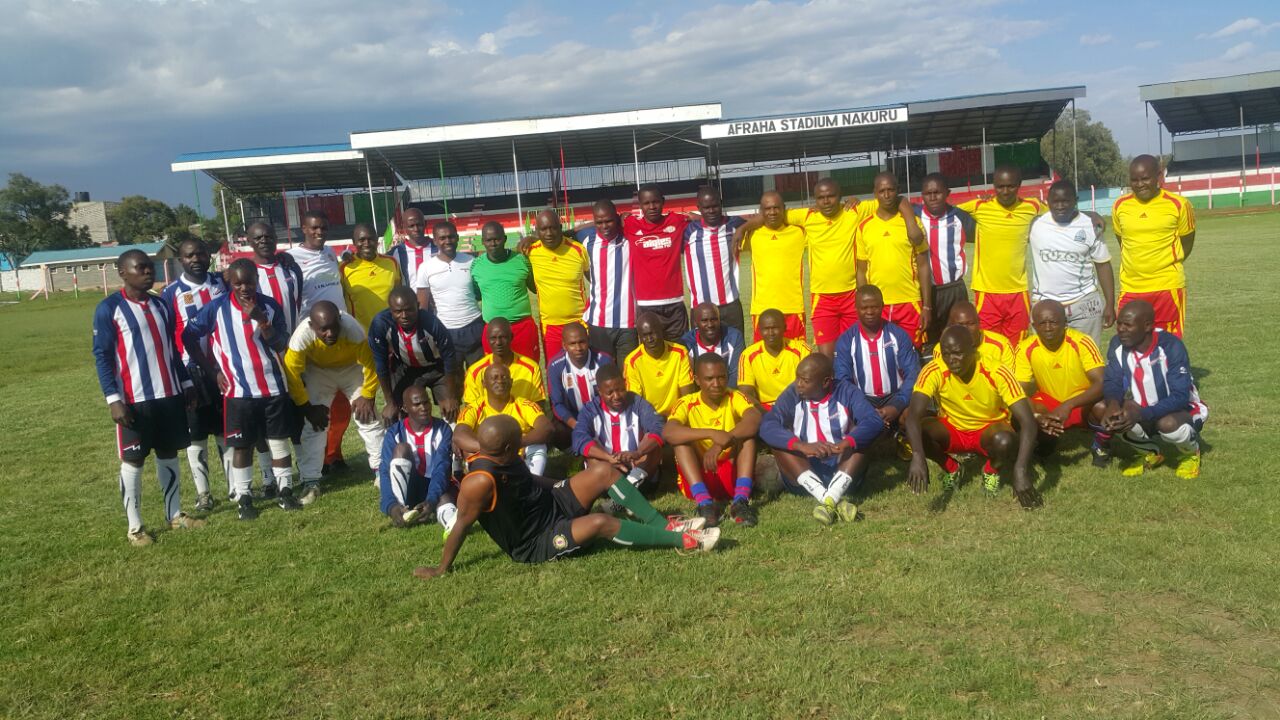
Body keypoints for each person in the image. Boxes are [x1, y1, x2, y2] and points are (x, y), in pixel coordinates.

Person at [412, 416, 718, 579]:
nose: (524, 438)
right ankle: (686, 542)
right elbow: (462, 525)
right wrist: (441, 568)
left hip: (551, 505)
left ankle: (661, 524)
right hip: (536, 540)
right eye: (520, 436)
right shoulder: (479, 481)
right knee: (600, 521)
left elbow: (529, 479)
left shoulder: (505, 454)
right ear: (506, 448)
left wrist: (568, 484)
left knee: (602, 471)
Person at [94, 249, 204, 546]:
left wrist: (185, 383)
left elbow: (171, 348)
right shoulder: (109, 309)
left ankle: (175, 515)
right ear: (122, 272)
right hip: (134, 400)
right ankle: (135, 528)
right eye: (139, 268)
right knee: (134, 461)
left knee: (169, 454)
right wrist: (113, 398)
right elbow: (102, 357)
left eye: (149, 267)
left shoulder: (161, 305)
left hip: (168, 394)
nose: (147, 272)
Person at [182, 259, 292, 521]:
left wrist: (263, 323)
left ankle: (285, 492)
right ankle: (244, 498)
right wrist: (213, 371)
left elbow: (281, 343)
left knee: (278, 441)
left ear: (257, 280)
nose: (244, 287)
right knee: (242, 447)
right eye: (238, 283)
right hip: (238, 391)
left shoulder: (270, 306)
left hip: (273, 386)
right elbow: (188, 337)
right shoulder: (216, 308)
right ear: (230, 282)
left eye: (249, 282)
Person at [904, 326, 1042, 508]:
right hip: (954, 429)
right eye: (946, 354)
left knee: (1005, 441)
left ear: (973, 349)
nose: (951, 360)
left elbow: (1028, 422)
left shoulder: (996, 370)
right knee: (918, 431)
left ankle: (991, 470)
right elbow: (913, 416)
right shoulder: (934, 370)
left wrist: (1020, 470)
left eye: (958, 353)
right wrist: (918, 455)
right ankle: (952, 469)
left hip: (989, 429)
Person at [759, 354, 884, 524]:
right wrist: (802, 446)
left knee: (861, 439)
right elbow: (767, 425)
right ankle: (831, 498)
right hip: (803, 471)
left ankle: (829, 499)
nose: (798, 384)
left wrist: (845, 443)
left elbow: (873, 421)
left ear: (825, 382)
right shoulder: (793, 393)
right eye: (797, 378)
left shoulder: (846, 391)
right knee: (779, 445)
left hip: (842, 468)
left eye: (805, 380)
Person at [283, 301, 385, 504]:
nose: (330, 333)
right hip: (319, 371)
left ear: (340, 320)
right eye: (323, 329)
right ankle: (310, 481)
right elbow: (292, 375)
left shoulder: (353, 329)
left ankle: (381, 471)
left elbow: (370, 364)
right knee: (315, 423)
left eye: (333, 327)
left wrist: (368, 395)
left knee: (368, 417)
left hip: (351, 369)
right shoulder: (301, 336)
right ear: (312, 326)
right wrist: (306, 407)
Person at [1099, 300, 1207, 478]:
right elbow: (1112, 380)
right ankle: (1150, 453)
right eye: (1119, 324)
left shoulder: (1171, 346)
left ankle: (1190, 453)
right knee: (1110, 414)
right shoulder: (1117, 344)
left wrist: (1141, 414)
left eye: (1128, 325)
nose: (1121, 329)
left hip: (1183, 409)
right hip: (1142, 408)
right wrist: (1112, 404)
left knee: (1167, 424)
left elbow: (1180, 396)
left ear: (1147, 326)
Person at [161, 237, 226, 512]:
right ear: (181, 261)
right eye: (189, 256)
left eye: (201, 253)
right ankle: (204, 493)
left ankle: (235, 487)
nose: (196, 259)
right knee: (197, 434)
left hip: (225, 369)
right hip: (192, 372)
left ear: (209, 255)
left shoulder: (224, 282)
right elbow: (166, 336)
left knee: (227, 430)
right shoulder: (170, 293)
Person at [287, 210, 352, 475]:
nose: (319, 232)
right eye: (314, 228)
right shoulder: (291, 258)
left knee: (341, 403)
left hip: (339, 337)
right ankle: (315, 460)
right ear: (304, 227)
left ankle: (333, 455)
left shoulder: (329, 253)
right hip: (313, 339)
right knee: (317, 403)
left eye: (323, 228)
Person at [664, 354, 762, 527]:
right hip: (700, 476)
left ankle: (740, 502)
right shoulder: (686, 403)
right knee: (680, 442)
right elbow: (669, 432)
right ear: (697, 380)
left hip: (731, 473)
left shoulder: (735, 396)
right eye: (709, 379)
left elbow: (754, 419)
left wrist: (723, 441)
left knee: (748, 438)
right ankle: (705, 504)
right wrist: (711, 433)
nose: (716, 384)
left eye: (721, 377)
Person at [957, 165, 1048, 342]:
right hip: (987, 292)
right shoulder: (979, 206)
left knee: (1017, 346)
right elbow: (945, 212)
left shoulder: (1032, 206)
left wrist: (1090, 215)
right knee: (989, 345)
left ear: (1019, 185)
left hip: (1018, 292)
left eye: (1010, 186)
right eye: (1000, 186)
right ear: (993, 186)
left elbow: (1062, 211)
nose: (1005, 191)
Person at [1111, 154, 1196, 337]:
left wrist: (1164, 265)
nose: (1139, 184)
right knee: (1129, 344)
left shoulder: (1179, 205)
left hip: (1167, 287)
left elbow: (1186, 243)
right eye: (1134, 180)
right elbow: (1122, 242)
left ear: (1158, 177)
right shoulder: (1120, 206)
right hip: (1131, 288)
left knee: (1167, 346)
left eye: (1145, 178)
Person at [1015, 300, 1108, 461]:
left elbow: (1101, 383)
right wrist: (1037, 416)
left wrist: (1068, 405)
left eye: (1053, 322)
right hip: (1049, 401)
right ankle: (1046, 442)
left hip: (1080, 402)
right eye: (1042, 323)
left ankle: (1101, 446)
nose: (1048, 328)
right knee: (1026, 410)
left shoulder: (1081, 342)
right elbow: (1019, 391)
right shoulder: (1025, 348)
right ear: (1034, 326)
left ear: (1065, 323)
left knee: (1102, 407)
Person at [1028, 180, 1116, 346]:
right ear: (1047, 201)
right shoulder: (1035, 225)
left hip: (1084, 304)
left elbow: (1103, 265)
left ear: (1075, 200)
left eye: (1065, 201)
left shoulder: (1091, 226)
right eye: (1055, 202)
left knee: (1087, 362)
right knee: (1049, 362)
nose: (1060, 206)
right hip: (1045, 304)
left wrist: (1110, 304)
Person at [856, 172, 932, 346]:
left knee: (912, 355)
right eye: (882, 190)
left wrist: (927, 306)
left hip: (909, 302)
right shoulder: (864, 227)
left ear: (898, 191)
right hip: (878, 306)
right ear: (875, 193)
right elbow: (861, 271)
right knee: (881, 356)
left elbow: (923, 266)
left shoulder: (913, 223)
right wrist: (863, 303)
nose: (887, 195)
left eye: (891, 190)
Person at [368, 287, 460, 425]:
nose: (404, 315)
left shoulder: (431, 323)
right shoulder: (380, 324)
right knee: (399, 415)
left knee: (451, 411)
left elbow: (450, 357)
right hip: (407, 369)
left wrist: (452, 397)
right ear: (391, 310)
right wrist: (390, 402)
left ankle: (450, 442)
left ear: (417, 306)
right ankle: (409, 444)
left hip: (438, 369)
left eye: (409, 309)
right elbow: (381, 365)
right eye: (398, 311)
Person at [833, 285, 920, 430]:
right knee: (844, 422)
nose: (870, 312)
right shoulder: (846, 340)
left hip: (895, 396)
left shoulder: (898, 335)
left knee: (912, 415)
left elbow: (913, 374)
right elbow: (843, 380)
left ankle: (905, 445)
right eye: (864, 307)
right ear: (856, 308)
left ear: (883, 306)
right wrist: (862, 407)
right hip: (863, 399)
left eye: (875, 307)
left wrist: (897, 405)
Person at [572, 363, 665, 495]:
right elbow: (578, 438)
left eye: (620, 389)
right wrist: (608, 458)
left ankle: (625, 493)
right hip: (606, 470)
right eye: (609, 393)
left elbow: (659, 428)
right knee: (590, 456)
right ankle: (626, 494)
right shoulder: (590, 409)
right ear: (599, 391)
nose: (616, 396)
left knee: (655, 448)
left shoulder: (637, 403)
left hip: (638, 469)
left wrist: (638, 452)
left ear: (625, 384)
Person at [454, 364, 552, 474]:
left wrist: (517, 444)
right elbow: (459, 435)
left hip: (520, 455)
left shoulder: (524, 404)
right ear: (484, 383)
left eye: (504, 377)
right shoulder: (473, 408)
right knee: (468, 448)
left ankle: (532, 481)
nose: (500, 381)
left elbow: (547, 428)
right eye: (494, 378)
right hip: (488, 458)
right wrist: (494, 450)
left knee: (538, 445)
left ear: (511, 382)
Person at [913, 173, 975, 345]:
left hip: (954, 289)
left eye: (937, 192)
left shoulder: (960, 217)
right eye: (928, 193)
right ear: (922, 195)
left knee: (959, 338)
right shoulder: (913, 215)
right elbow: (896, 201)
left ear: (947, 193)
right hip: (926, 291)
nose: (933, 197)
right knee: (929, 338)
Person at [378, 383, 452, 528]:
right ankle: (401, 509)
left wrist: (431, 499)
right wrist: (391, 505)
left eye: (426, 402)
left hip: (433, 487)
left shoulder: (442, 429)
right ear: (405, 408)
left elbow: (442, 468)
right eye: (417, 404)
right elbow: (385, 471)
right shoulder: (395, 432)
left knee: (446, 500)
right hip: (408, 489)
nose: (423, 408)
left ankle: (452, 526)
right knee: (401, 449)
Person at [735, 191, 807, 340]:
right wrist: (743, 228)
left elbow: (815, 215)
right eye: (767, 209)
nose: (772, 212)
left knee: (797, 358)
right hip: (762, 309)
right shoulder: (752, 235)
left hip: (793, 308)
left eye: (776, 207)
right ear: (761, 212)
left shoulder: (799, 232)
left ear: (784, 208)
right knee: (765, 359)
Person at [413, 220, 485, 366]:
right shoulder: (426, 268)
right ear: (435, 241)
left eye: (451, 237)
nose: (448, 241)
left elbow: (480, 292)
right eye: (442, 238)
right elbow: (422, 306)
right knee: (455, 381)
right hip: (446, 331)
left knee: (480, 378)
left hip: (474, 327)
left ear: (457, 237)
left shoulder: (471, 261)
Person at [625, 184, 690, 339]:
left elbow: (704, 220)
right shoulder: (631, 225)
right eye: (646, 203)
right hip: (646, 305)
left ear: (663, 201)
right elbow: (604, 223)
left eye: (655, 202)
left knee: (680, 351)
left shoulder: (676, 221)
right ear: (640, 205)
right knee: (653, 354)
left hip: (675, 303)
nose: (652, 207)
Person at [578, 199, 639, 362]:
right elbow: (563, 236)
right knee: (604, 375)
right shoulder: (586, 240)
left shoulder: (630, 237)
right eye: (599, 222)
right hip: (598, 322)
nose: (604, 226)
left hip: (629, 322)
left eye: (609, 221)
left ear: (617, 218)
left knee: (627, 375)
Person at [471, 220, 540, 359]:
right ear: (483, 242)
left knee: (527, 371)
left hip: (522, 328)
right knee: (497, 376)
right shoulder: (476, 266)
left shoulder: (522, 261)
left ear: (505, 239)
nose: (493, 243)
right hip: (493, 332)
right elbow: (477, 294)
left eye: (497, 239)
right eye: (489, 240)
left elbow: (535, 288)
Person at [526, 210, 590, 356]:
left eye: (553, 228)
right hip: (550, 326)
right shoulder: (530, 251)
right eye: (543, 229)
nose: (549, 233)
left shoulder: (578, 250)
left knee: (583, 368)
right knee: (555, 369)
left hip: (579, 322)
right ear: (537, 232)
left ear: (560, 228)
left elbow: (594, 281)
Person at [683, 186, 746, 332]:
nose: (711, 211)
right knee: (705, 354)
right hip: (701, 308)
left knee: (736, 352)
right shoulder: (688, 231)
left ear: (721, 203)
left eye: (715, 206)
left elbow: (759, 220)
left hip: (730, 305)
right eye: (706, 207)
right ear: (699, 207)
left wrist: (743, 229)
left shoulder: (734, 224)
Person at [547, 322, 612, 445]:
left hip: (602, 414)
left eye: (582, 342)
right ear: (564, 345)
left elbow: (614, 395)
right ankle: (573, 449)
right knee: (556, 431)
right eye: (572, 344)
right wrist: (576, 425)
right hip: (573, 417)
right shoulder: (555, 366)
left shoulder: (603, 360)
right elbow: (557, 404)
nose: (578, 348)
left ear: (588, 340)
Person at [623, 311, 695, 416]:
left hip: (677, 415)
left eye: (652, 333)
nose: (649, 339)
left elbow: (687, 396)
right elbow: (636, 403)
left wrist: (678, 417)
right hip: (649, 417)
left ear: (661, 331)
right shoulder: (632, 362)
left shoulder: (680, 353)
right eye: (645, 335)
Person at [462, 318, 546, 406]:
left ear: (511, 337)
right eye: (493, 338)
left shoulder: (531, 368)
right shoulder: (474, 372)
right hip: (488, 419)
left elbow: (539, 405)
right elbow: (470, 408)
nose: (498, 342)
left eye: (503, 337)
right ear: (487, 339)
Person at [738, 309, 810, 410]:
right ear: (759, 330)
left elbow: (809, 384)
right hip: (764, 408)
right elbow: (746, 393)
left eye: (775, 328)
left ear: (784, 328)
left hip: (797, 403)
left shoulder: (802, 350)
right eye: (766, 329)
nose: (771, 333)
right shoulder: (748, 355)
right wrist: (765, 414)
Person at [341, 223, 403, 330]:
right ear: (354, 242)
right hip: (360, 335)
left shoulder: (392, 263)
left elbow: (398, 295)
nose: (367, 243)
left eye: (371, 239)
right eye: (362, 240)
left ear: (377, 239)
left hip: (389, 332)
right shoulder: (344, 268)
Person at [931, 301, 1015, 372]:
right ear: (951, 326)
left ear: (979, 323)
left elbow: (1011, 382)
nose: (966, 330)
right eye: (960, 325)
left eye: (971, 324)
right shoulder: (942, 349)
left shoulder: (1002, 345)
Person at [679, 302, 745, 388]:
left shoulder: (734, 337)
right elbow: (687, 382)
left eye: (714, 319)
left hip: (728, 394)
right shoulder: (686, 343)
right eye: (704, 321)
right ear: (695, 323)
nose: (710, 325)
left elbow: (735, 376)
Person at [387, 208, 436, 286]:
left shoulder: (438, 248)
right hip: (409, 298)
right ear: (404, 227)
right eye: (411, 226)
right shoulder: (395, 253)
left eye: (419, 224)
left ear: (425, 224)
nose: (416, 229)